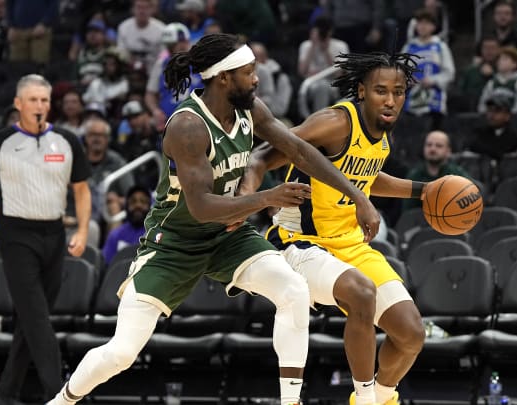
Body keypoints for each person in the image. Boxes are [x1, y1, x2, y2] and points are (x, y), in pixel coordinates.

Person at [46, 33, 380, 405]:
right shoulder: (188, 126)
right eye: (249, 72)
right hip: (175, 242)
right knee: (122, 353)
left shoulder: (250, 109)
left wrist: (358, 197)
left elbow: (300, 150)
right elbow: (202, 206)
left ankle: (290, 402)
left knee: (294, 289)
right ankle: (63, 400)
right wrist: (265, 198)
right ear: (224, 78)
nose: (257, 78)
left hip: (227, 236)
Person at [239, 50, 427, 405]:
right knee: (361, 292)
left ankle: (379, 399)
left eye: (398, 92)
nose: (390, 100)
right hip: (300, 241)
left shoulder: (381, 136)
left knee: (411, 334)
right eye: (380, 91)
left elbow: (366, 176)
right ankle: (366, 398)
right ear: (360, 91)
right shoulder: (336, 121)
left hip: (350, 244)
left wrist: (423, 191)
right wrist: (251, 188)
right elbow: (269, 152)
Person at [0, 74, 91, 405]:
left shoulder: (67, 141)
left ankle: (5, 392)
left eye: (45, 100)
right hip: (16, 234)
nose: (40, 106)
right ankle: (61, 395)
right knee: (37, 317)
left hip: (54, 233)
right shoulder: (0, 142)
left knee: (31, 317)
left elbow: (81, 191)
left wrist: (81, 230)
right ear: (18, 104)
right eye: (33, 100)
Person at [401, 9, 454, 129]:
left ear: (433, 27)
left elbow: (449, 72)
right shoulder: (409, 47)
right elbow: (398, 72)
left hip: (434, 101)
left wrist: (433, 80)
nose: (423, 27)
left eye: (426, 23)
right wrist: (407, 79)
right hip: (411, 101)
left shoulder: (440, 46)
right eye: (420, 23)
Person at [403, 130, 470, 211]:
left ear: (448, 151)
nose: (432, 149)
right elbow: (409, 212)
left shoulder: (458, 175)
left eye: (439, 146)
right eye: (429, 145)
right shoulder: (414, 177)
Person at [102, 184, 150, 265]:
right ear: (127, 206)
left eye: (143, 201)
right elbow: (106, 266)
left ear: (150, 206)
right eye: (133, 201)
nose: (138, 205)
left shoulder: (156, 234)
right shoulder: (115, 235)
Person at [468, 94, 517, 161]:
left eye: (497, 111)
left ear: (507, 116)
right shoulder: (478, 134)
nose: (491, 115)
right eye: (489, 110)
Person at [477, 46, 517, 113]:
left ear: (515, 64)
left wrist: (506, 115)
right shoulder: (492, 83)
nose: (500, 62)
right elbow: (482, 105)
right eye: (499, 59)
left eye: (505, 59)